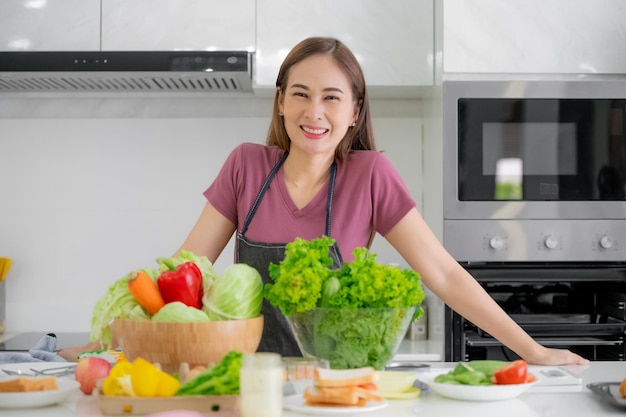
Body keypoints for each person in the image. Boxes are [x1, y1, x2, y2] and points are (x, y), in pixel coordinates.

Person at [59, 37, 588, 366]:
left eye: (332, 97)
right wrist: (103, 343)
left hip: (338, 382)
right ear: (282, 102)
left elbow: (444, 275)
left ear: (355, 111)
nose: (315, 111)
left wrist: (533, 349)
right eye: (301, 93)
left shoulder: (372, 175)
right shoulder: (246, 165)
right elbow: (184, 277)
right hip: (253, 380)